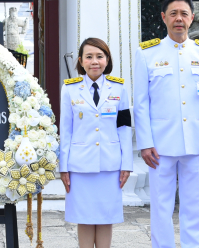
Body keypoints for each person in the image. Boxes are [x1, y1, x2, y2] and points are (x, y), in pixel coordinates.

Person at [133, 0, 199, 248]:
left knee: (194, 203)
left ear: (192, 18)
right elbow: (141, 103)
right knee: (161, 205)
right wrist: (145, 142)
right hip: (160, 144)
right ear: (164, 18)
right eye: (173, 14)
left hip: (196, 143)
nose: (179, 19)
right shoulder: (147, 53)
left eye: (184, 14)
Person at [60, 38, 132, 248]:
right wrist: (63, 167)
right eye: (89, 57)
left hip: (110, 165)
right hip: (80, 166)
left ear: (107, 60)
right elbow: (66, 130)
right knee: (84, 217)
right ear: (81, 61)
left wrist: (126, 163)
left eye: (99, 56)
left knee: (105, 216)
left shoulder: (119, 89)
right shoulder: (70, 90)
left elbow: (125, 129)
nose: (94, 62)